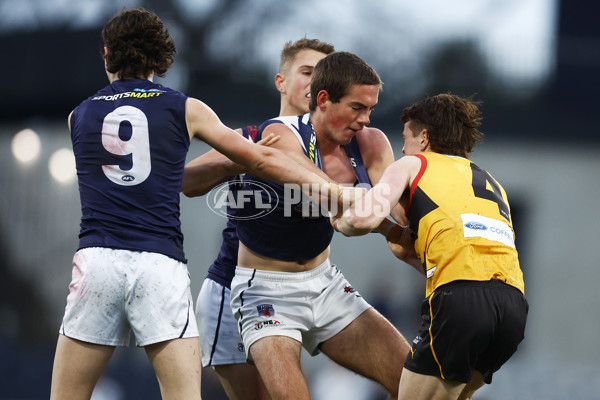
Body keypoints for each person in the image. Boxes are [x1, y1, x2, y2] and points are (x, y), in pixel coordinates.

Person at [49, 8, 338, 400]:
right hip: (158, 264)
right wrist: (336, 191)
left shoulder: (77, 116)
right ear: (161, 57)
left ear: (105, 54)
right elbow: (259, 159)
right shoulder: (186, 108)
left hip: (97, 261)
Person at [227, 51, 411, 400]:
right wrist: (370, 208)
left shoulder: (370, 142)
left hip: (325, 284)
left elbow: (403, 215)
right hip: (266, 291)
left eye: (370, 109)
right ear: (323, 100)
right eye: (357, 107)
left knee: (416, 385)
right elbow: (322, 191)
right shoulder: (279, 134)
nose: (365, 120)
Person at [332, 93, 529, 400]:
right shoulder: (490, 181)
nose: (402, 148)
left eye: (406, 137)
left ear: (423, 138)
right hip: (512, 310)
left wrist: (341, 222)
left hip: (460, 302)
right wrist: (399, 238)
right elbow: (442, 254)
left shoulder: (414, 164)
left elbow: (363, 219)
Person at [181, 38, 335, 400]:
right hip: (232, 289)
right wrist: (247, 158)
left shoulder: (339, 151)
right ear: (280, 81)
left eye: (323, 76)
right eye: (306, 72)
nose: (314, 83)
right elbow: (186, 181)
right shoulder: (248, 138)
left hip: (299, 294)